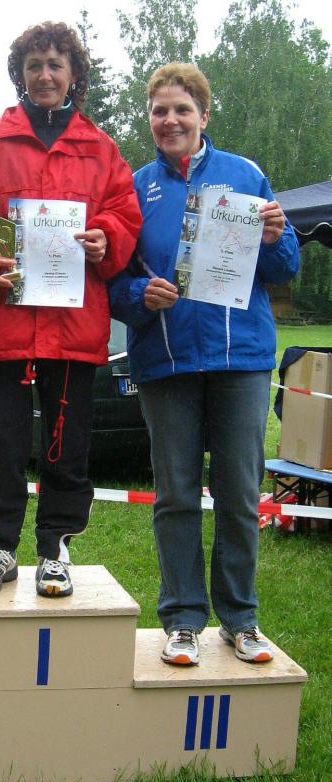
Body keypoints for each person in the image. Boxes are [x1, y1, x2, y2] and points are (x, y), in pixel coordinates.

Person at [0, 21, 141, 598]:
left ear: (73, 74)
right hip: (2, 323)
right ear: (20, 75)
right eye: (34, 65)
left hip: (72, 328)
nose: (45, 75)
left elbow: (125, 213)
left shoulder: (101, 149)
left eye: (55, 64)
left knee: (65, 445)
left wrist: (106, 236)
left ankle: (56, 549)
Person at [109, 63, 299, 664]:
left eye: (182, 109)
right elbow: (113, 280)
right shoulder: (133, 189)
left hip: (240, 360)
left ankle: (240, 618)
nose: (170, 120)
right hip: (166, 363)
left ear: (204, 115)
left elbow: (286, 268)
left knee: (240, 492)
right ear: (150, 119)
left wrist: (276, 238)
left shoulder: (245, 175)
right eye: (159, 111)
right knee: (175, 496)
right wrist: (139, 295)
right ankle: (183, 619)